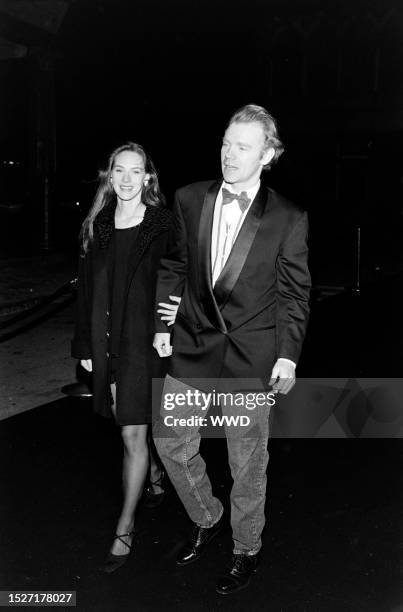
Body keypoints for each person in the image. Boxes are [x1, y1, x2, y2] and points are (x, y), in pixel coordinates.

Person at [153, 104, 311, 595]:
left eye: (243, 147)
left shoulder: (288, 217)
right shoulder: (190, 198)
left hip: (251, 359)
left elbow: (293, 293)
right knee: (171, 443)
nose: (229, 154)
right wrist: (165, 321)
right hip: (194, 346)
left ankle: (246, 548)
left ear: (268, 154)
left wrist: (287, 355)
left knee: (247, 462)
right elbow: (175, 264)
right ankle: (208, 515)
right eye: (226, 143)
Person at [71, 142, 171, 573]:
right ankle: (152, 475)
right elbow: (87, 292)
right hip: (108, 342)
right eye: (119, 171)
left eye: (137, 171)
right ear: (108, 177)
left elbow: (180, 276)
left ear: (148, 177)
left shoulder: (162, 224)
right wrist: (85, 347)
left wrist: (173, 316)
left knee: (132, 433)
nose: (128, 179)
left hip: (144, 344)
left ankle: (125, 526)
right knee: (124, 418)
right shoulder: (99, 227)